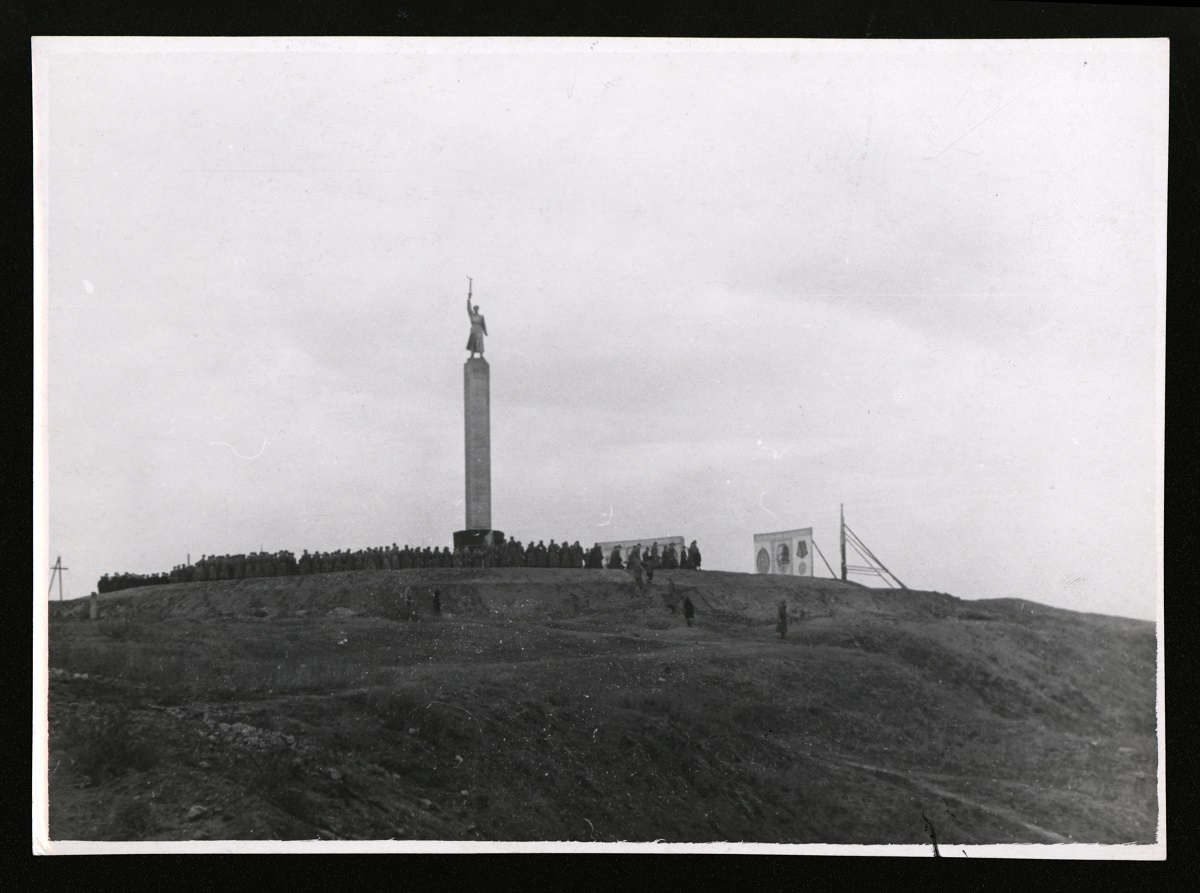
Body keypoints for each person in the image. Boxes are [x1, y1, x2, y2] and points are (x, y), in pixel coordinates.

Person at [465, 279, 488, 358]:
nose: (475, 310)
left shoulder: (481, 317)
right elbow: (468, 308)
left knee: (480, 342)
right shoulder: (472, 315)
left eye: (477, 309)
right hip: (474, 329)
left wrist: (485, 331)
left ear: (478, 309)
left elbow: (483, 324)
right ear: (474, 309)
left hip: (479, 329)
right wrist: (468, 299)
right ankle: (472, 355)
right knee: (473, 342)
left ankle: (481, 355)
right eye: (474, 309)